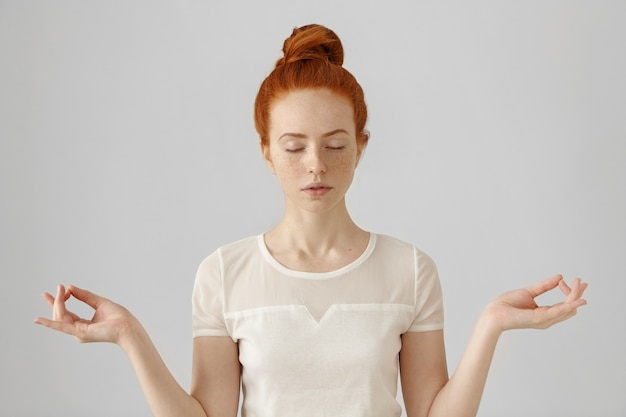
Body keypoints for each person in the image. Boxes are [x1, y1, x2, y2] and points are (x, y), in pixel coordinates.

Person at [34, 24, 588, 417]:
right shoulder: (223, 273)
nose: (316, 165)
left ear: (361, 147)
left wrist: (490, 324)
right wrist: (130, 336)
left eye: (336, 144)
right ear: (266, 152)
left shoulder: (410, 270)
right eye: (294, 147)